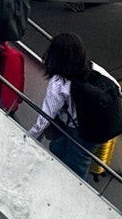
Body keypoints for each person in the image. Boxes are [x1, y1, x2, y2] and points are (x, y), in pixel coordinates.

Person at [26, 33, 117, 179]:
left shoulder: (59, 83)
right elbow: (116, 87)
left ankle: (71, 195)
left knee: (76, 174)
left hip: (79, 132)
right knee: (58, 149)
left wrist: (29, 138)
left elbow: (45, 118)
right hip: (99, 128)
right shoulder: (93, 68)